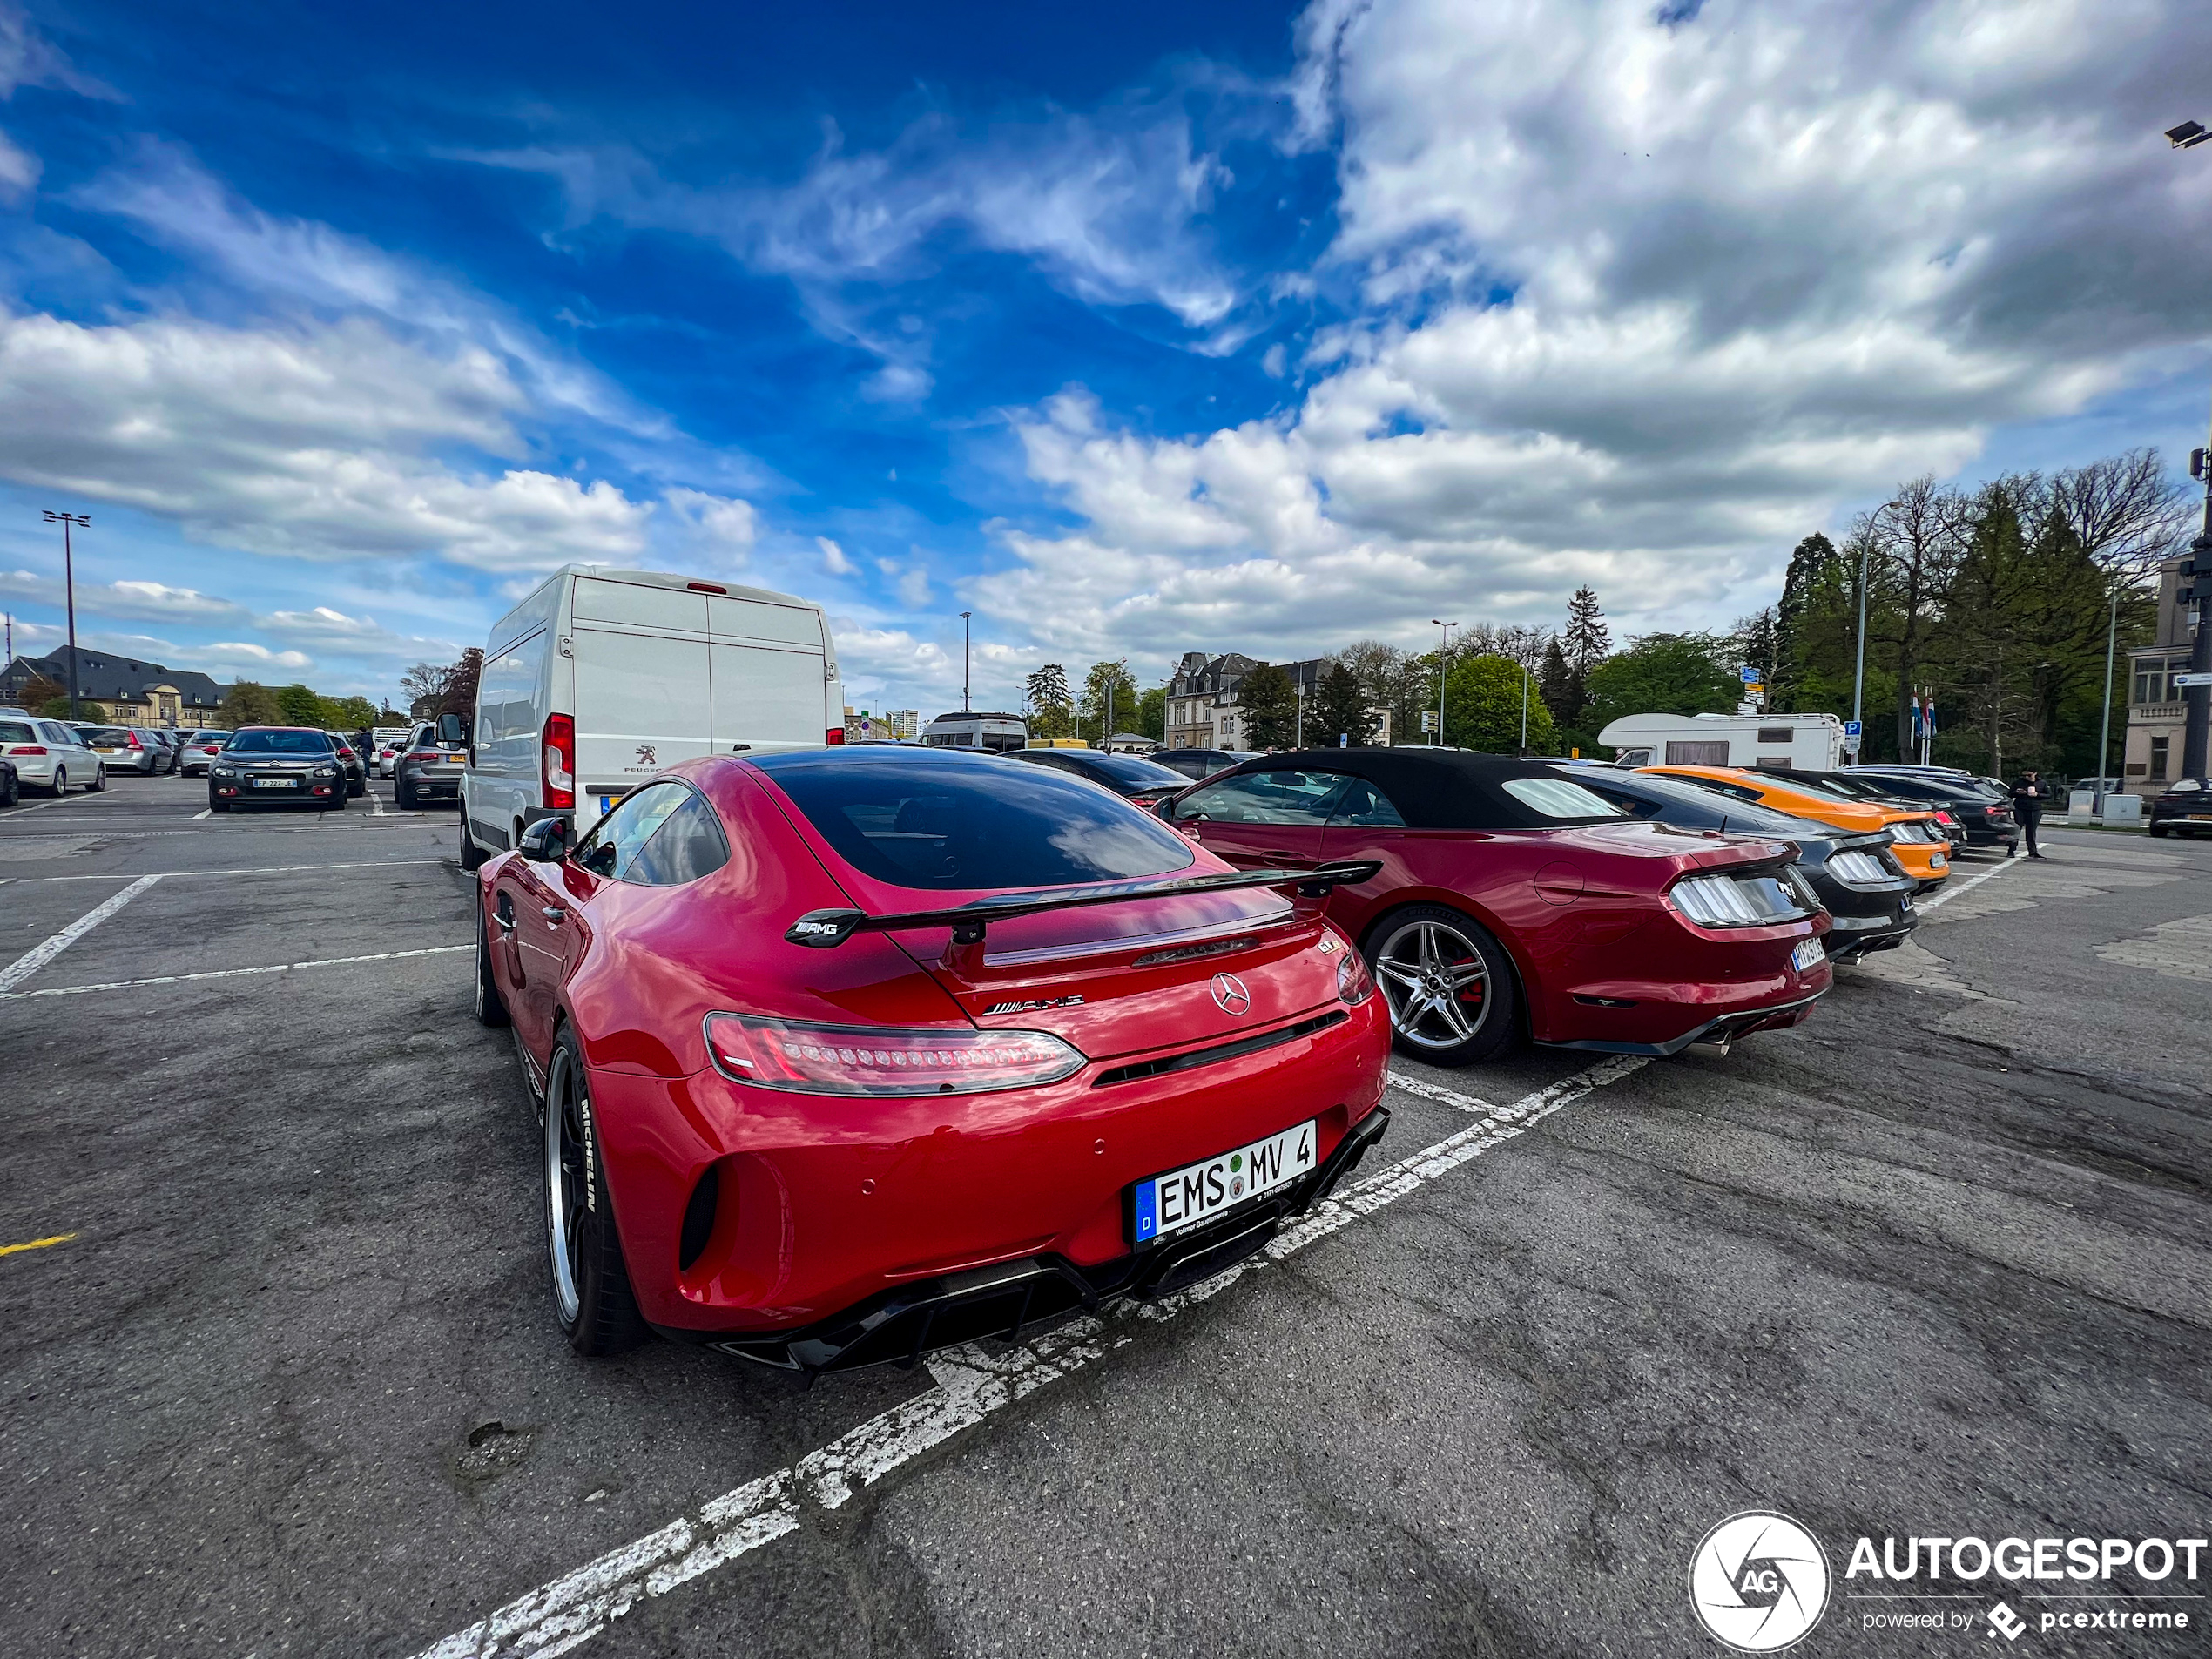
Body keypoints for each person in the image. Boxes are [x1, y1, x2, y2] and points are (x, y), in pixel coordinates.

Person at [2009, 769, 2050, 860]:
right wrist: (2017, 792)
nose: (2027, 777)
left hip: (2035, 809)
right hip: (2020, 808)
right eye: (2025, 775)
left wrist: (2037, 795)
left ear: (2035, 773)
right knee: (2017, 829)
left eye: (2029, 775)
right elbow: (2010, 794)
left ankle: (2032, 852)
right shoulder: (2019, 782)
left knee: (2031, 831)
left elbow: (2048, 795)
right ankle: (2011, 850)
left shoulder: (2042, 783)